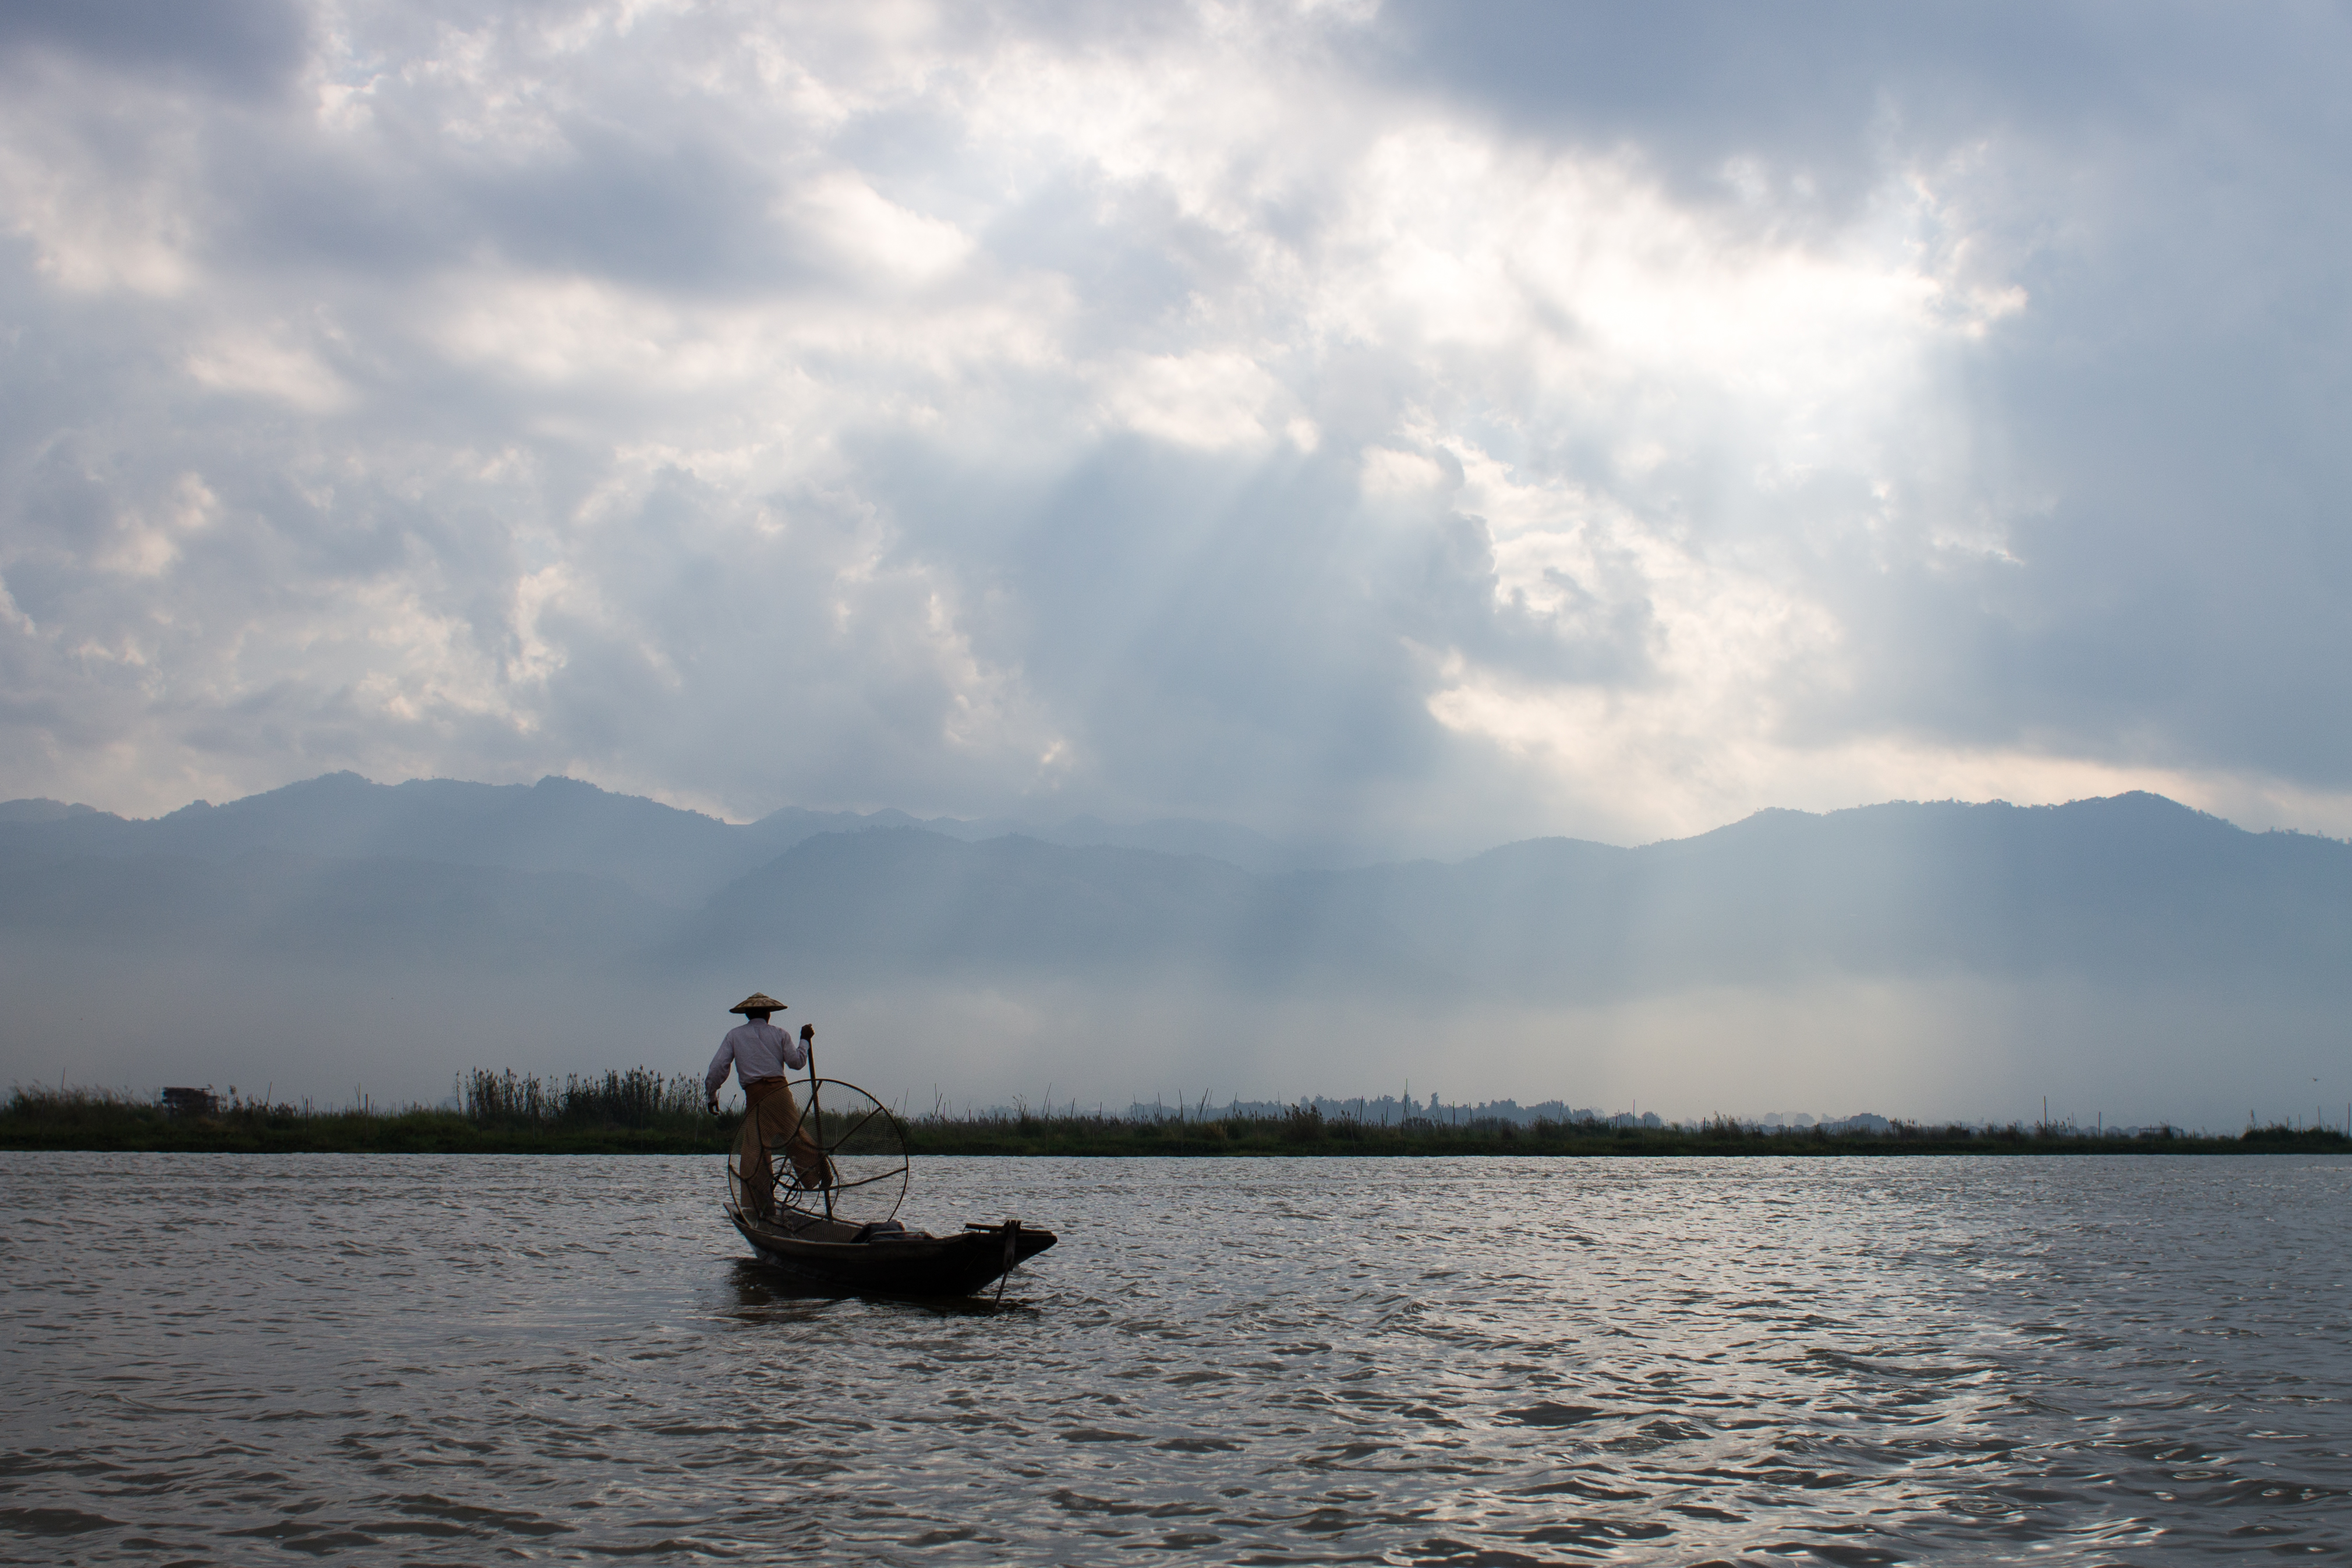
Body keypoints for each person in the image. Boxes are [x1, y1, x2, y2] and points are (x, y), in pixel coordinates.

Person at [706, 992, 829, 1219]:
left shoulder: (734, 1036)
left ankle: (760, 1204)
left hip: (756, 1094)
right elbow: (797, 1063)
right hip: (780, 1092)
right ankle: (820, 1172)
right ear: (768, 1015)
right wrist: (804, 1039)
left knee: (755, 1150)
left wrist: (711, 1095)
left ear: (747, 1015)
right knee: (795, 1135)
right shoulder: (780, 1034)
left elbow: (718, 1068)